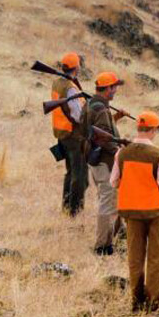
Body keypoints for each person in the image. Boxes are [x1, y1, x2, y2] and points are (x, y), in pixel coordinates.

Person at [109, 111, 159, 312]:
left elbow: (114, 181)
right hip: (156, 212)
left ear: (138, 128)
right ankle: (155, 303)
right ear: (154, 129)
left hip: (131, 212)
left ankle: (136, 301)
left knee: (135, 257)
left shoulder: (122, 153)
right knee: (155, 257)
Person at [79, 72, 129, 255]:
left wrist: (115, 118)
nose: (116, 90)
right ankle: (102, 247)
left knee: (107, 200)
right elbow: (103, 140)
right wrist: (122, 147)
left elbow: (96, 131)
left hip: (95, 160)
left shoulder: (91, 104)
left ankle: (113, 237)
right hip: (104, 162)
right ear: (108, 88)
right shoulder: (100, 109)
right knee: (107, 203)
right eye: (114, 87)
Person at [48, 52, 89, 216]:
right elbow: (78, 116)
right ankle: (74, 211)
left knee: (71, 172)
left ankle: (66, 207)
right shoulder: (70, 88)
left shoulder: (57, 82)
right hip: (74, 135)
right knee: (80, 177)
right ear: (77, 67)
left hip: (62, 134)